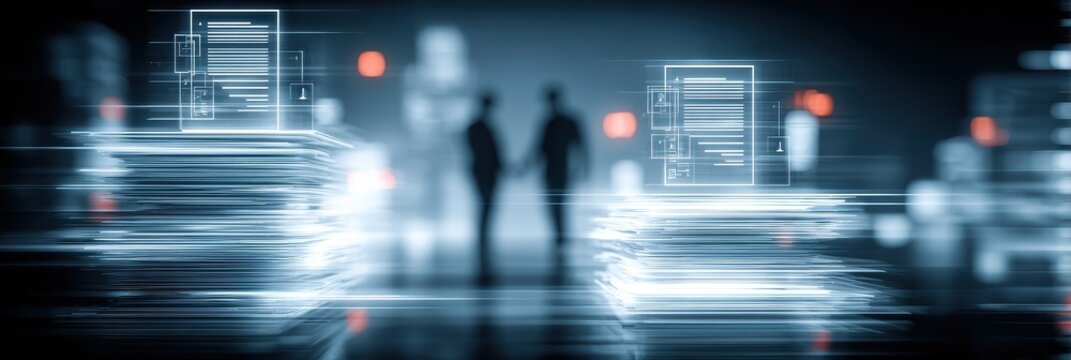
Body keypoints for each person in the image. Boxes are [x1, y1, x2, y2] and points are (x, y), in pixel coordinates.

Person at [526, 85, 589, 263]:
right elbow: (581, 147)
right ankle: (561, 237)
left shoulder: (551, 122)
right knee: (558, 205)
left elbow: (539, 149)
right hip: (560, 171)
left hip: (556, 171)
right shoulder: (565, 122)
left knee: (556, 206)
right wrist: (583, 169)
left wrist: (525, 167)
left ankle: (560, 237)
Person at [466, 92, 503, 285]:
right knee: (487, 205)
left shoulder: (475, 127)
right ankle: (483, 238)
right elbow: (492, 153)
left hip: (482, 173)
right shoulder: (483, 127)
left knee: (485, 205)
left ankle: (483, 238)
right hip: (486, 174)